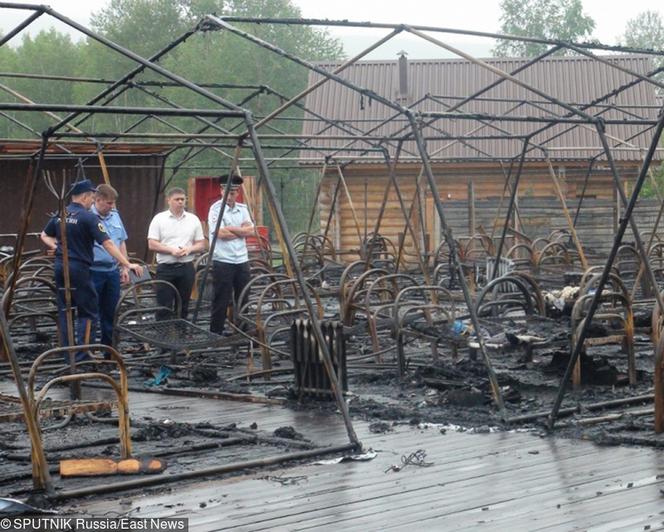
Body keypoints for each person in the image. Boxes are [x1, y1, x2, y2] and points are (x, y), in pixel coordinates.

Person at [40, 179, 143, 359]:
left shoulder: (60, 213)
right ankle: (81, 356)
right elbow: (108, 243)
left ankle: (68, 355)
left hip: (60, 266)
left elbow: (44, 235)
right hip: (80, 268)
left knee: (65, 311)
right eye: (92, 197)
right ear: (86, 197)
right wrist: (127, 264)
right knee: (88, 312)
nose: (92, 201)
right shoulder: (89, 217)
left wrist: (60, 248)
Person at [147, 187, 206, 319]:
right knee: (164, 305)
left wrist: (189, 249)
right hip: (166, 268)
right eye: (177, 199)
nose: (180, 202)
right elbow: (152, 244)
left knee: (183, 304)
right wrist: (171, 250)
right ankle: (163, 336)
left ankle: (181, 334)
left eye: (182, 199)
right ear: (169, 200)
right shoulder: (159, 219)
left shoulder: (193, 219)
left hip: (186, 268)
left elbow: (201, 244)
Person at [208, 175, 254, 335]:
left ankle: (242, 330)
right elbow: (220, 233)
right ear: (221, 191)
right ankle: (216, 332)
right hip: (223, 260)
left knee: (243, 296)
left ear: (238, 193)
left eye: (233, 192)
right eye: (227, 191)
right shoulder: (215, 209)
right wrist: (240, 231)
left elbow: (250, 230)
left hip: (241, 260)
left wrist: (232, 229)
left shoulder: (243, 208)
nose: (230, 195)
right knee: (221, 298)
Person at [90, 184, 129, 347]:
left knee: (111, 312)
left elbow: (121, 242)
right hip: (92, 271)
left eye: (113, 203)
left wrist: (125, 267)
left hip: (112, 271)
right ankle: (88, 351)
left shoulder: (115, 216)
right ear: (97, 200)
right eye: (108, 203)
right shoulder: (86, 217)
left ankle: (109, 350)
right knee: (90, 313)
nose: (112, 206)